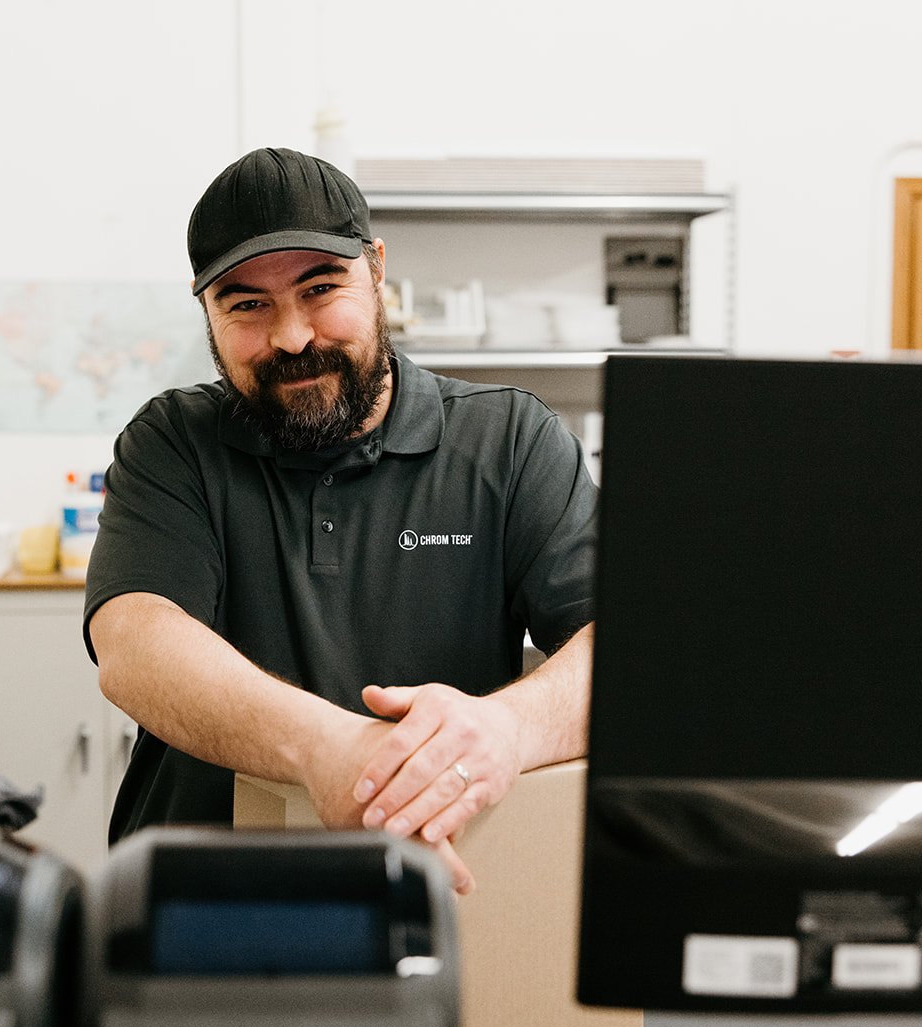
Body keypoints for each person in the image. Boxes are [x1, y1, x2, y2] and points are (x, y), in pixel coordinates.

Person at [84, 147, 597, 892]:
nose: (292, 337)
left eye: (320, 288)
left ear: (377, 268)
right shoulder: (173, 443)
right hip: (196, 903)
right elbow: (133, 643)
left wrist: (507, 729)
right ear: (206, 313)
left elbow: (623, 656)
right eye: (246, 304)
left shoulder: (510, 442)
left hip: (436, 897)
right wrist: (327, 750)